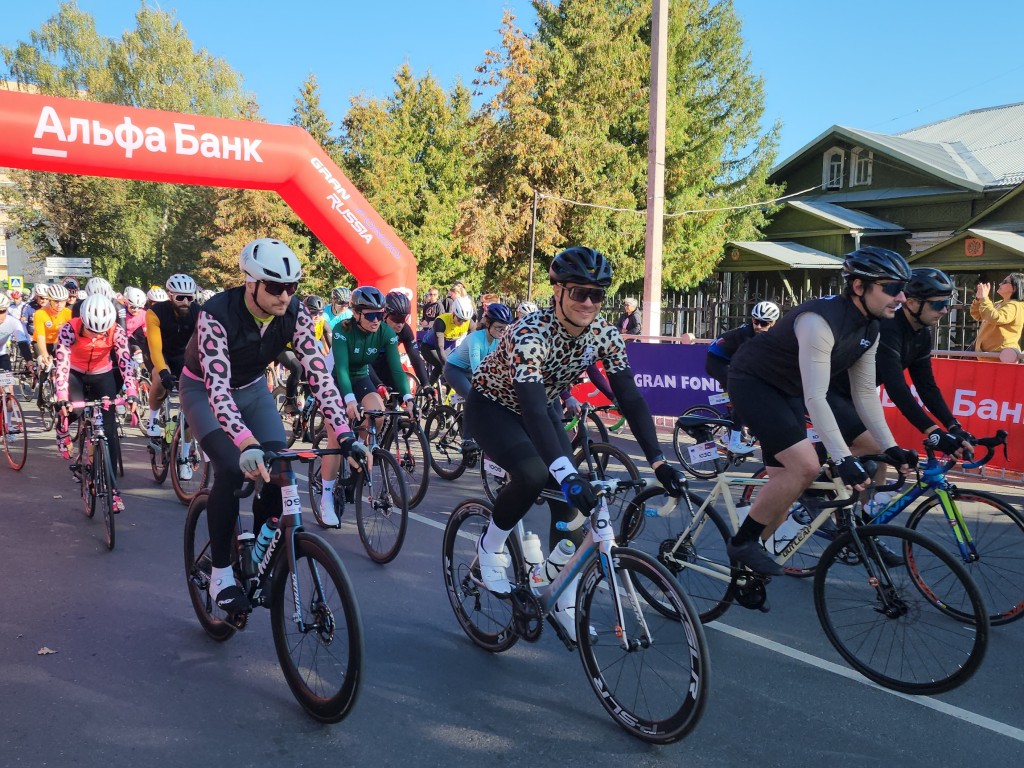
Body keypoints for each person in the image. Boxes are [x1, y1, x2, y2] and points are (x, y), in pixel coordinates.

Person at [465, 246, 686, 642]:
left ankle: (560, 597)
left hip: (541, 403)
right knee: (534, 474)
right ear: (558, 292)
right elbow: (530, 409)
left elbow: (631, 398)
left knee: (571, 507)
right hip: (494, 406)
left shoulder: (604, 335)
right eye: (579, 292)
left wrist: (659, 462)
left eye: (597, 294)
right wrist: (565, 474)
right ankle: (489, 549)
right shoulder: (531, 332)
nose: (588, 302)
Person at [178, 238, 365, 614]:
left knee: (280, 469)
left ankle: (260, 546)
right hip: (202, 391)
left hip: (251, 390)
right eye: (276, 287)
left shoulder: (294, 313)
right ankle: (220, 572)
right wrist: (246, 443)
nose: (285, 296)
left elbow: (319, 374)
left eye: (292, 287)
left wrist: (343, 433)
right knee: (232, 469)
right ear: (251, 283)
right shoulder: (216, 313)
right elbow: (217, 388)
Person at [726, 246, 918, 576]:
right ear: (859, 287)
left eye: (903, 289)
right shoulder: (819, 321)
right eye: (890, 288)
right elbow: (817, 397)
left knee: (784, 489)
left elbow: (865, 396)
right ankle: (741, 543)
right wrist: (843, 458)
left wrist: (890, 448)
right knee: (804, 466)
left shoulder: (870, 329)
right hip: (752, 382)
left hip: (788, 391)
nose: (900, 297)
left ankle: (747, 574)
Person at [319, 286, 413, 522]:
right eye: (370, 315)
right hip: (334, 379)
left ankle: (359, 449)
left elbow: (395, 368)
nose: (376, 320)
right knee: (335, 437)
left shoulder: (385, 333)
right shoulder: (342, 329)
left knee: (378, 412)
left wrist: (408, 398)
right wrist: (349, 401)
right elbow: (340, 368)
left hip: (360, 376)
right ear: (356, 313)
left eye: (380, 315)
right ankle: (326, 499)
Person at [53, 295, 139, 512]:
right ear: (83, 321)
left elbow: (125, 361)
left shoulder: (116, 331)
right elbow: (62, 364)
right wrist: (62, 396)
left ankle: (113, 490)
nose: (98, 335)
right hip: (75, 373)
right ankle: (62, 426)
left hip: (102, 374)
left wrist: (132, 392)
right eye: (93, 330)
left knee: (109, 431)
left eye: (102, 331)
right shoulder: (69, 329)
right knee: (72, 409)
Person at [705, 300, 781, 455]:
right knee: (743, 395)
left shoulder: (775, 333)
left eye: (763, 323)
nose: (758, 326)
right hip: (717, 362)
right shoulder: (747, 335)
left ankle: (735, 430)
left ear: (773, 323)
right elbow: (749, 363)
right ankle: (733, 441)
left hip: (730, 361)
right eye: (755, 321)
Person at [444, 302, 513, 453]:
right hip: (455, 370)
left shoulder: (500, 340)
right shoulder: (475, 339)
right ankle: (467, 439)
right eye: (498, 327)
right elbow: (477, 370)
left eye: (505, 328)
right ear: (488, 324)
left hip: (471, 372)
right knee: (473, 396)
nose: (502, 331)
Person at [144, 274, 199, 438]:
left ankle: (187, 452)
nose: (185, 302)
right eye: (180, 297)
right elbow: (155, 349)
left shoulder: (197, 311)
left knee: (193, 405)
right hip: (159, 354)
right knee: (161, 379)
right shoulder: (155, 312)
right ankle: (153, 417)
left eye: (189, 298)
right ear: (170, 296)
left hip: (183, 356)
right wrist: (163, 372)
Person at [369, 290, 431, 394]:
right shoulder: (372, 327)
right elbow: (363, 363)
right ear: (384, 314)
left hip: (387, 363)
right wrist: (378, 384)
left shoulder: (404, 330)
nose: (400, 324)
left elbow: (415, 358)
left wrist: (426, 384)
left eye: (404, 319)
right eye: (396, 319)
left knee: (400, 395)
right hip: (366, 363)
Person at [419, 295, 474, 385]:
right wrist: (446, 365)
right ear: (454, 314)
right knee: (441, 366)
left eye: (464, 320)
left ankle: (448, 395)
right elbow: (439, 346)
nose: (461, 323)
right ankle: (428, 388)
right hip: (429, 347)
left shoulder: (469, 323)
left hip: (446, 348)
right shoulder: (441, 321)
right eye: (459, 319)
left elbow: (472, 345)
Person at [970, 272, 1024, 356]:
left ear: (1015, 287)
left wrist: (984, 298)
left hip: (1002, 356)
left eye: (1005, 282)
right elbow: (977, 315)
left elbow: (995, 317)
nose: (1000, 284)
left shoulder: (1015, 305)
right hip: (988, 356)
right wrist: (978, 299)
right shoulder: (1000, 303)